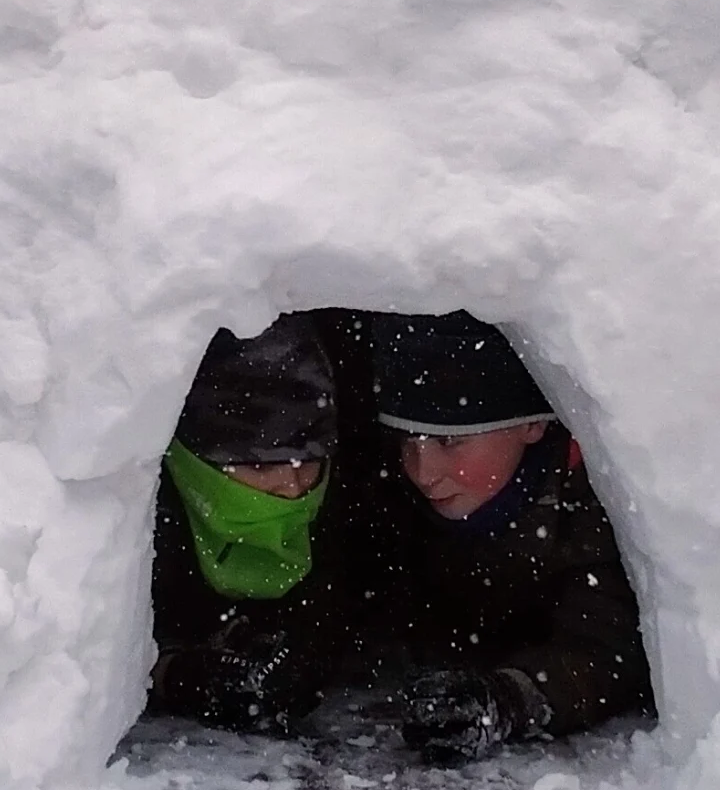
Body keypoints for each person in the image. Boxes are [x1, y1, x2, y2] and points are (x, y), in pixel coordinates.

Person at [361, 311, 658, 765]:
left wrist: (511, 698)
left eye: (450, 443)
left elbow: (606, 652)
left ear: (533, 426)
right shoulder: (391, 487)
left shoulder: (589, 502)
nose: (422, 472)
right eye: (407, 442)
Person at [141, 313, 417, 736]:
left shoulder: (362, 502)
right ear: (194, 460)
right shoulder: (137, 522)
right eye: (257, 465)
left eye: (307, 461)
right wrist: (178, 672)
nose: (290, 486)